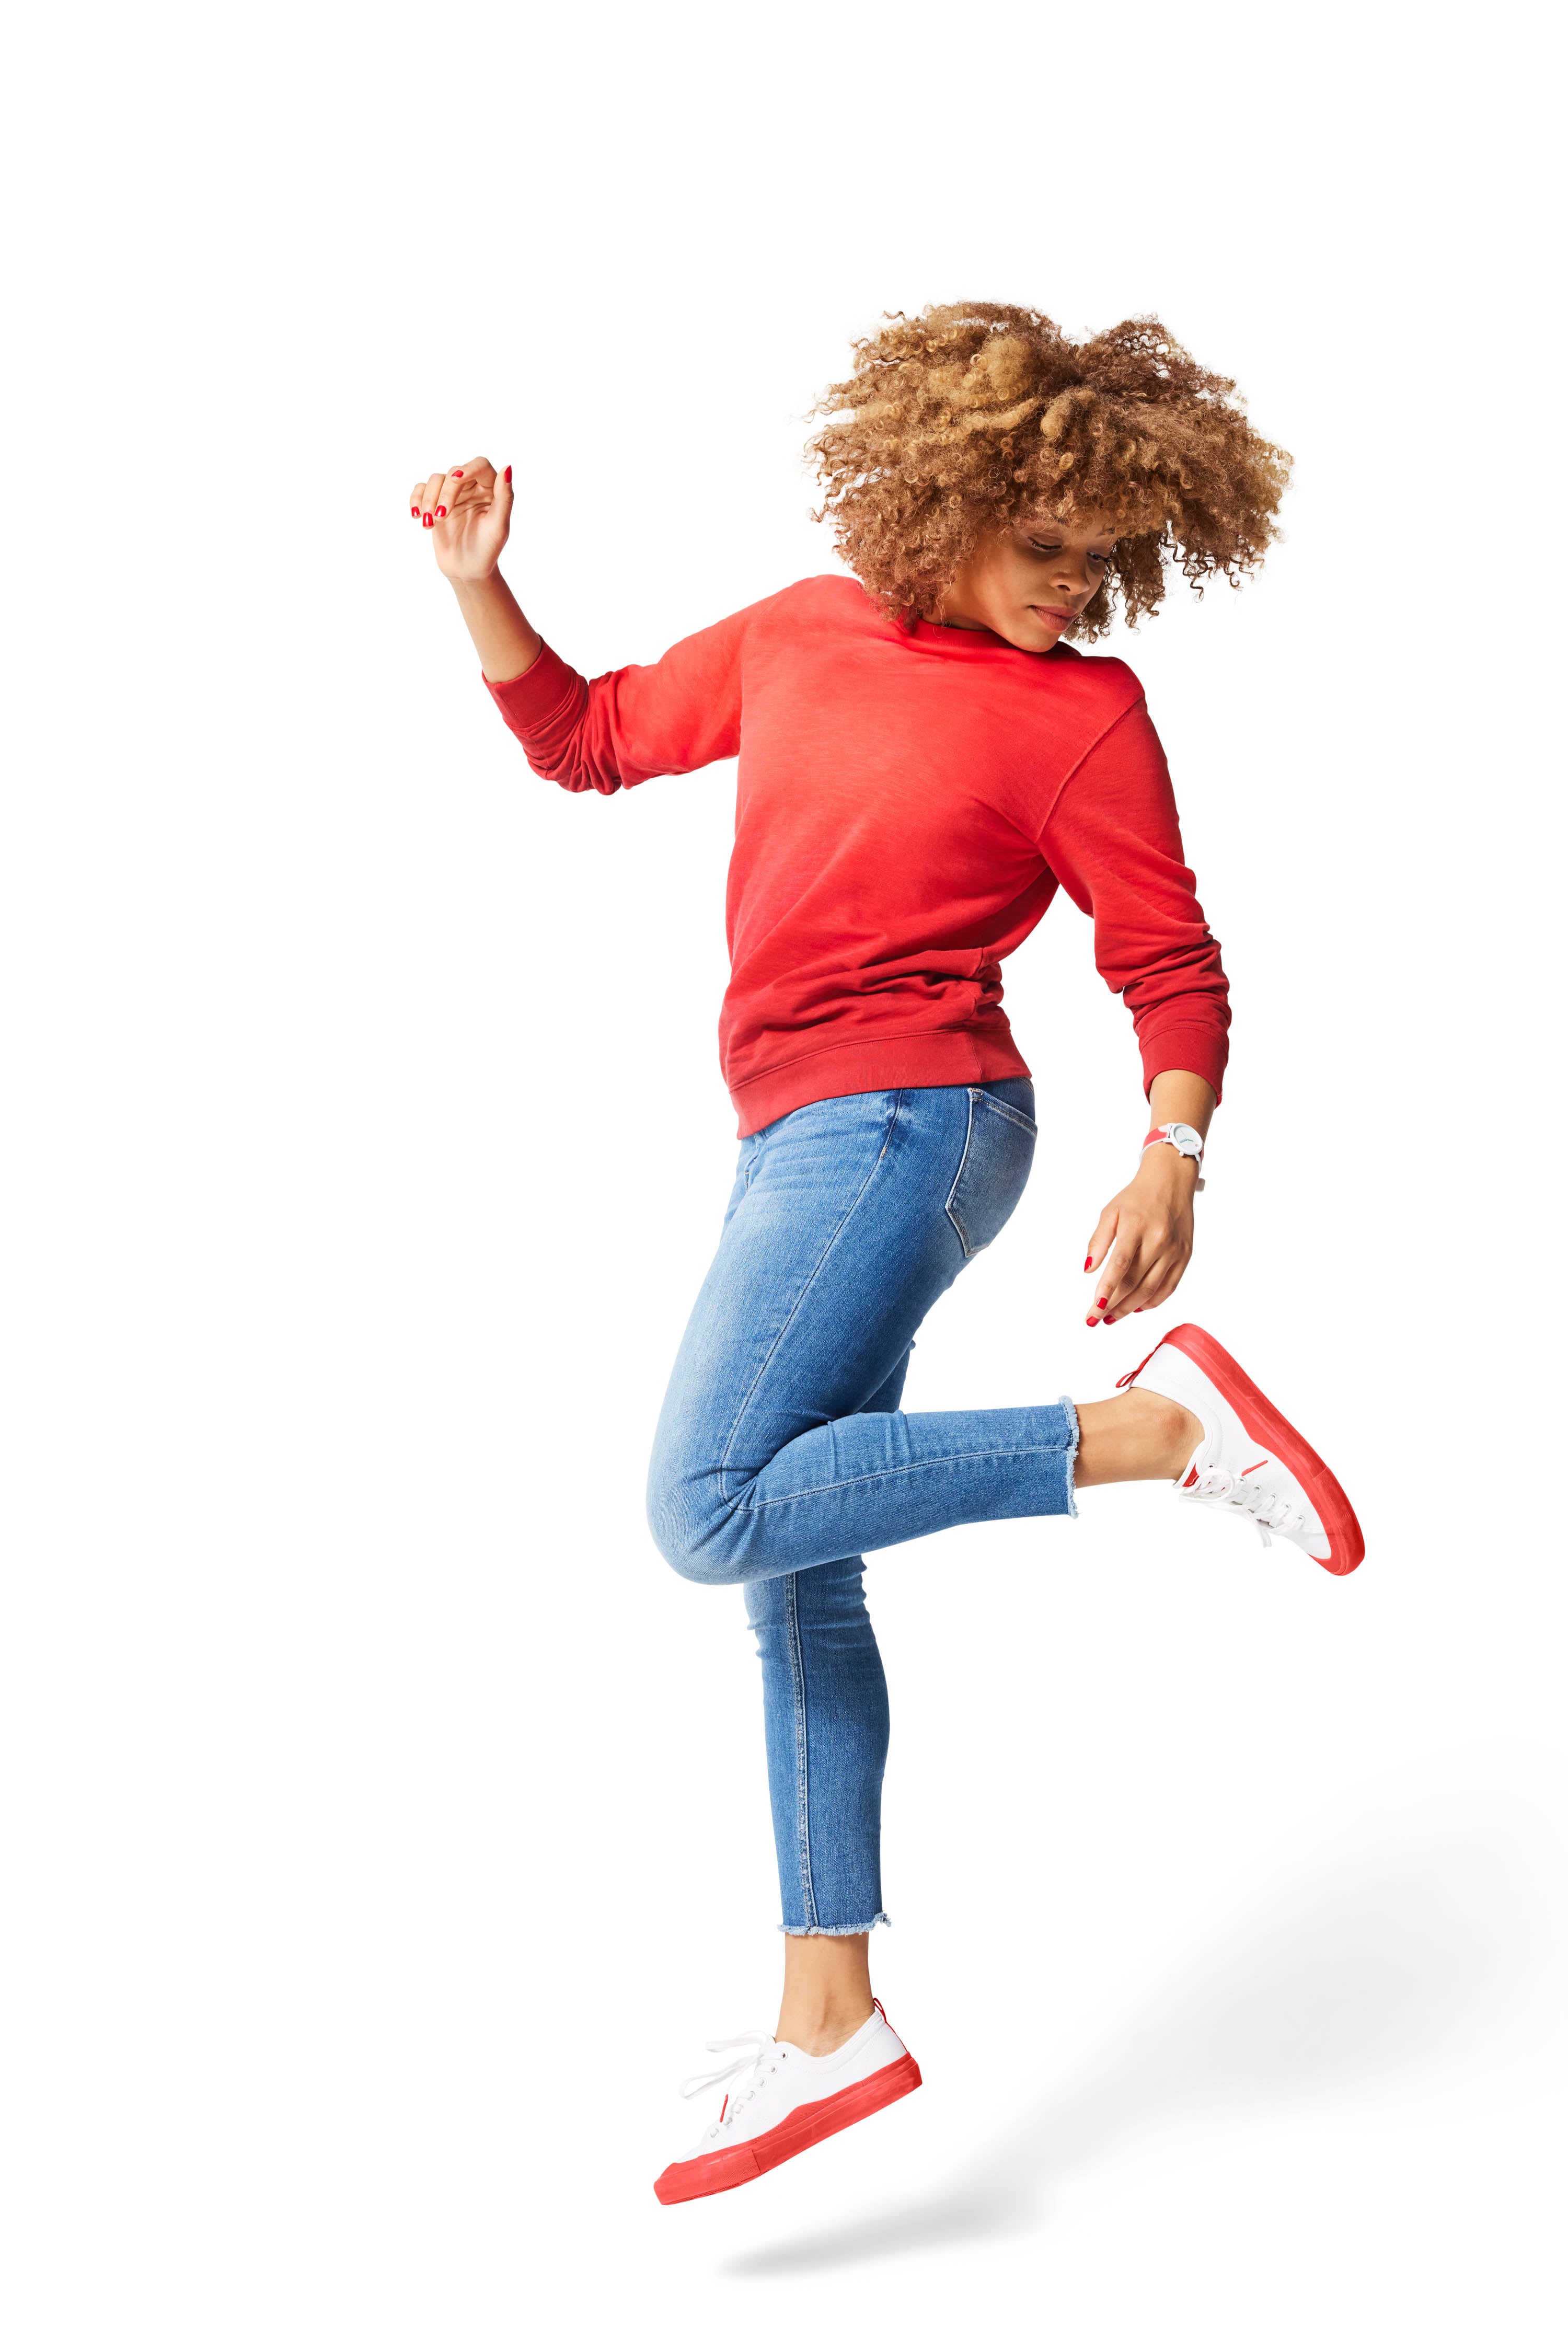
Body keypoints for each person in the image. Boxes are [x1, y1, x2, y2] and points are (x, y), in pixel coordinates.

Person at [408, 302, 1362, 2207]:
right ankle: (831, 2014)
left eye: (1105, 557)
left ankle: (1160, 1435)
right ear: (948, 500)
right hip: (805, 1129)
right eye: (1046, 545)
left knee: (705, 1504)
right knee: (799, 1565)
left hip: (911, 1121)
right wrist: (479, 588)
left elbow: (1168, 962)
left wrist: (1173, 1148)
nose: (1076, 586)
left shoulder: (1085, 715)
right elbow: (590, 741)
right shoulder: (806, 631)